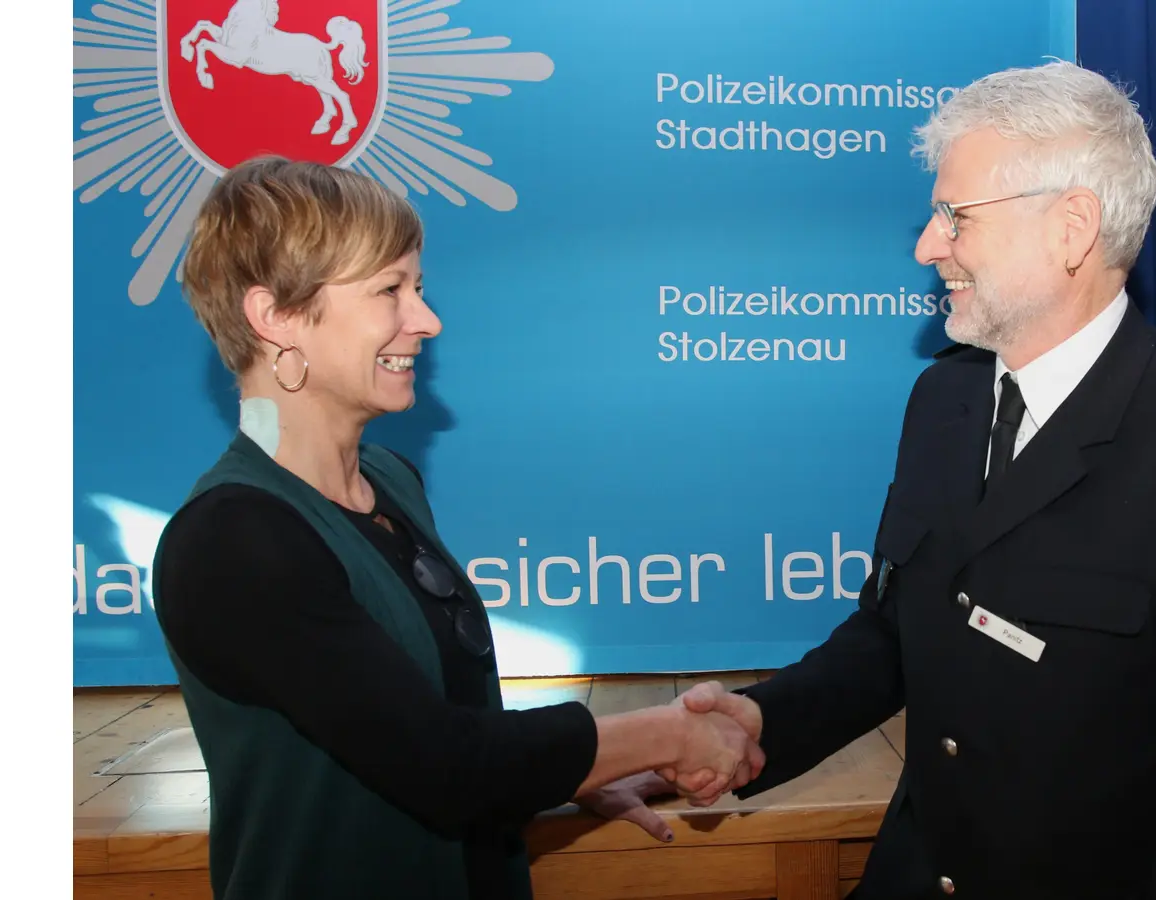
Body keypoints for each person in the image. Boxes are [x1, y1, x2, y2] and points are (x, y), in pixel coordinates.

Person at [675, 60, 1156, 899]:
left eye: (954, 216)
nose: (927, 245)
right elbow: (892, 637)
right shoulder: (944, 399)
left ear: (1071, 228)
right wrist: (762, 721)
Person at [151, 156, 759, 900]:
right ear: (275, 315)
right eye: (388, 291)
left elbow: (427, 726)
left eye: (419, 287)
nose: (427, 320)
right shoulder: (232, 541)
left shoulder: (391, 484)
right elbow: (445, 767)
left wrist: (579, 772)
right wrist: (665, 734)